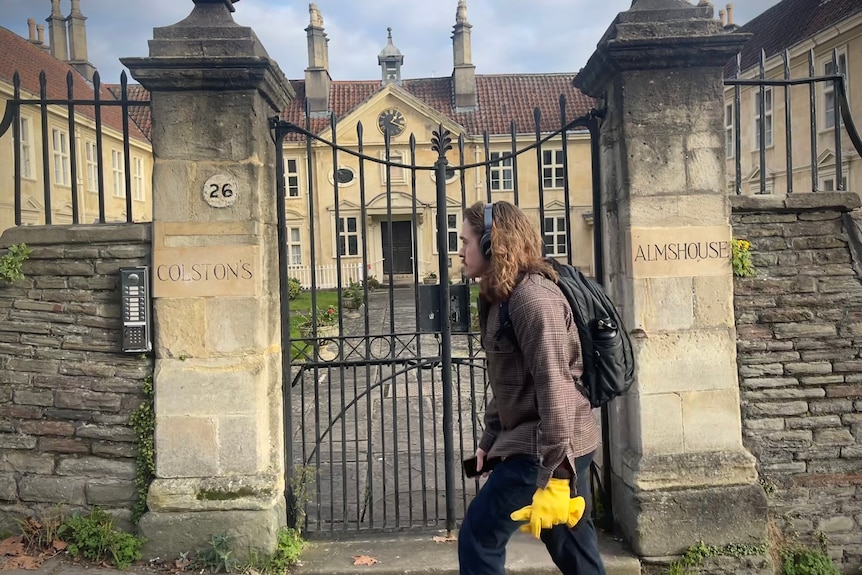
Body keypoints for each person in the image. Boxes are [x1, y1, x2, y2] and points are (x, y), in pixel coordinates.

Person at [457, 201, 606, 575]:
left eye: (465, 241)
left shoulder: (532, 300)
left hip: (547, 449)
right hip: (548, 444)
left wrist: (556, 475)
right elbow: (509, 378)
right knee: (572, 546)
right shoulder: (501, 296)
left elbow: (554, 387)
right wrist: (490, 439)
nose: (459, 251)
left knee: (479, 535)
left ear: (493, 243)